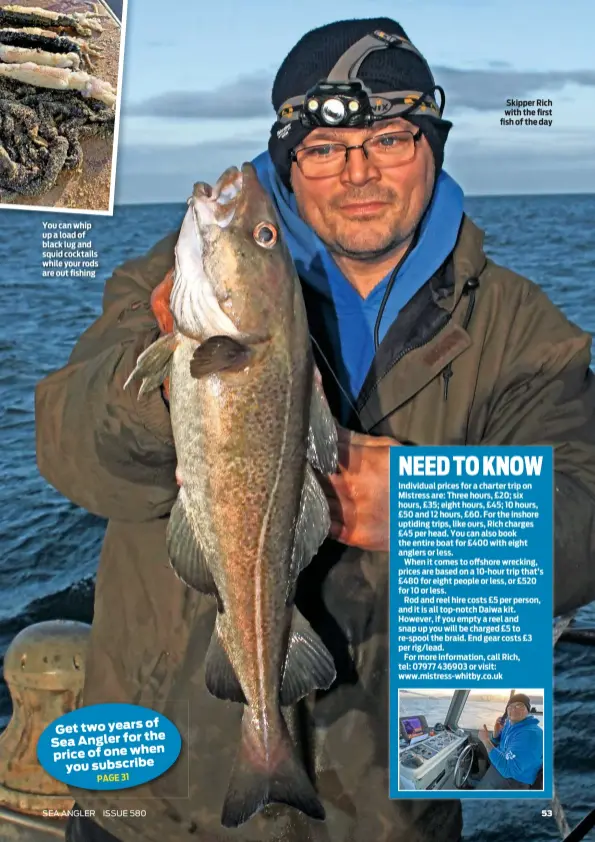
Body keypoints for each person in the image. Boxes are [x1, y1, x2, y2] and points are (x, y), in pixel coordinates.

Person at [34, 15, 595, 842]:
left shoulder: (520, 327)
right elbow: (68, 448)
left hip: (391, 808)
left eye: (392, 140)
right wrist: (174, 405)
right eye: (324, 150)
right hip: (162, 800)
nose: (358, 172)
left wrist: (422, 510)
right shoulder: (174, 281)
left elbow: (585, 526)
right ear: (290, 160)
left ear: (433, 145)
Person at [476, 694, 543, 790]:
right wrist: (496, 733)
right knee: (479, 746)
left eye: (519, 705)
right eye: (510, 706)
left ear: (527, 710)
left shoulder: (531, 734)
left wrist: (486, 741)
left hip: (515, 779)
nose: (513, 709)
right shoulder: (510, 723)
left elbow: (508, 769)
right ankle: (481, 776)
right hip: (504, 761)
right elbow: (501, 742)